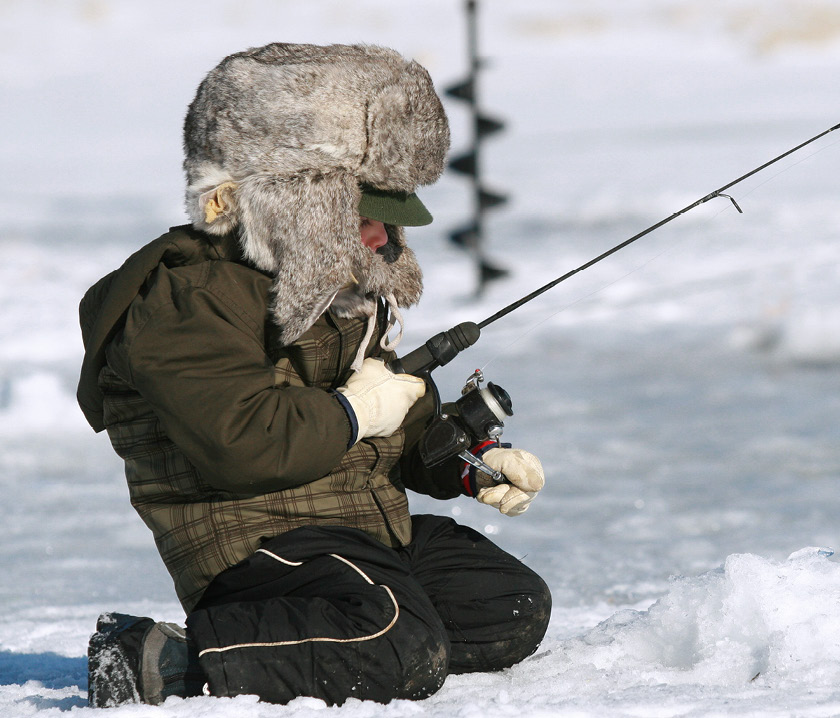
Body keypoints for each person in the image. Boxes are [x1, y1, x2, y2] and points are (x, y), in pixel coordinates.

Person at [75, 43, 550, 707]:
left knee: (507, 605)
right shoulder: (187, 301)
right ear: (291, 206)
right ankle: (163, 658)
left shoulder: (334, 286)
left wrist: (463, 462)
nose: (383, 237)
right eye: (365, 217)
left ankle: (342, 638)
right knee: (402, 644)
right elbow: (243, 444)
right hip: (256, 545)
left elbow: (392, 419)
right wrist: (357, 413)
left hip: (355, 529)